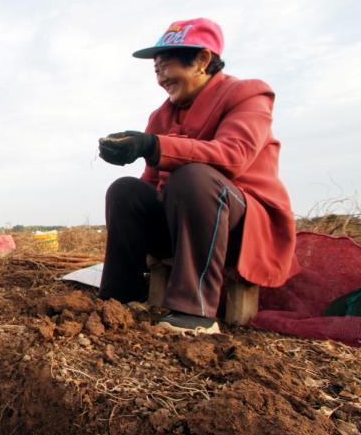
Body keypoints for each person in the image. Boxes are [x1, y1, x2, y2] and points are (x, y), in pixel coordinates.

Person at [97, 18, 298, 334]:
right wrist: (136, 152)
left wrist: (154, 145)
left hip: (237, 233)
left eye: (166, 67)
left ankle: (195, 313)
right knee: (126, 190)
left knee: (192, 178)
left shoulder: (247, 95)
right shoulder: (161, 116)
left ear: (203, 60)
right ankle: (121, 297)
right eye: (156, 71)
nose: (161, 78)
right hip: (181, 230)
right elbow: (150, 182)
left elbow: (233, 156)